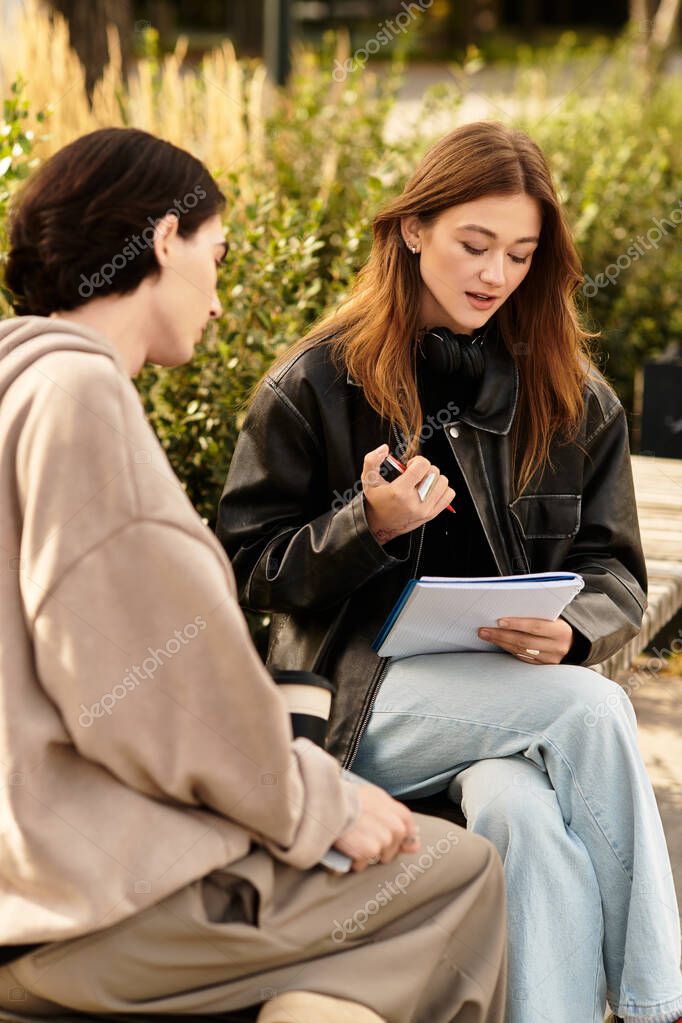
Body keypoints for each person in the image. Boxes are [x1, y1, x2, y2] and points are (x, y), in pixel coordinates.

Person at [0, 127, 508, 1023]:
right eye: (217, 254)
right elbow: (144, 696)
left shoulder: (18, 390)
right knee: (454, 874)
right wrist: (320, 801)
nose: (220, 296)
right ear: (163, 239)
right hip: (90, 904)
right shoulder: (79, 400)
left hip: (41, 874)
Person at [217, 121, 682, 1023]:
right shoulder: (316, 384)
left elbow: (613, 566)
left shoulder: (570, 393)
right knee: (592, 705)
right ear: (414, 228)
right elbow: (246, 571)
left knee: (524, 818)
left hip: (503, 699)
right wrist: (367, 525)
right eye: (475, 244)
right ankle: (660, 997)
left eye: (519, 253)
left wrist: (576, 625)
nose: (495, 274)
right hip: (358, 706)